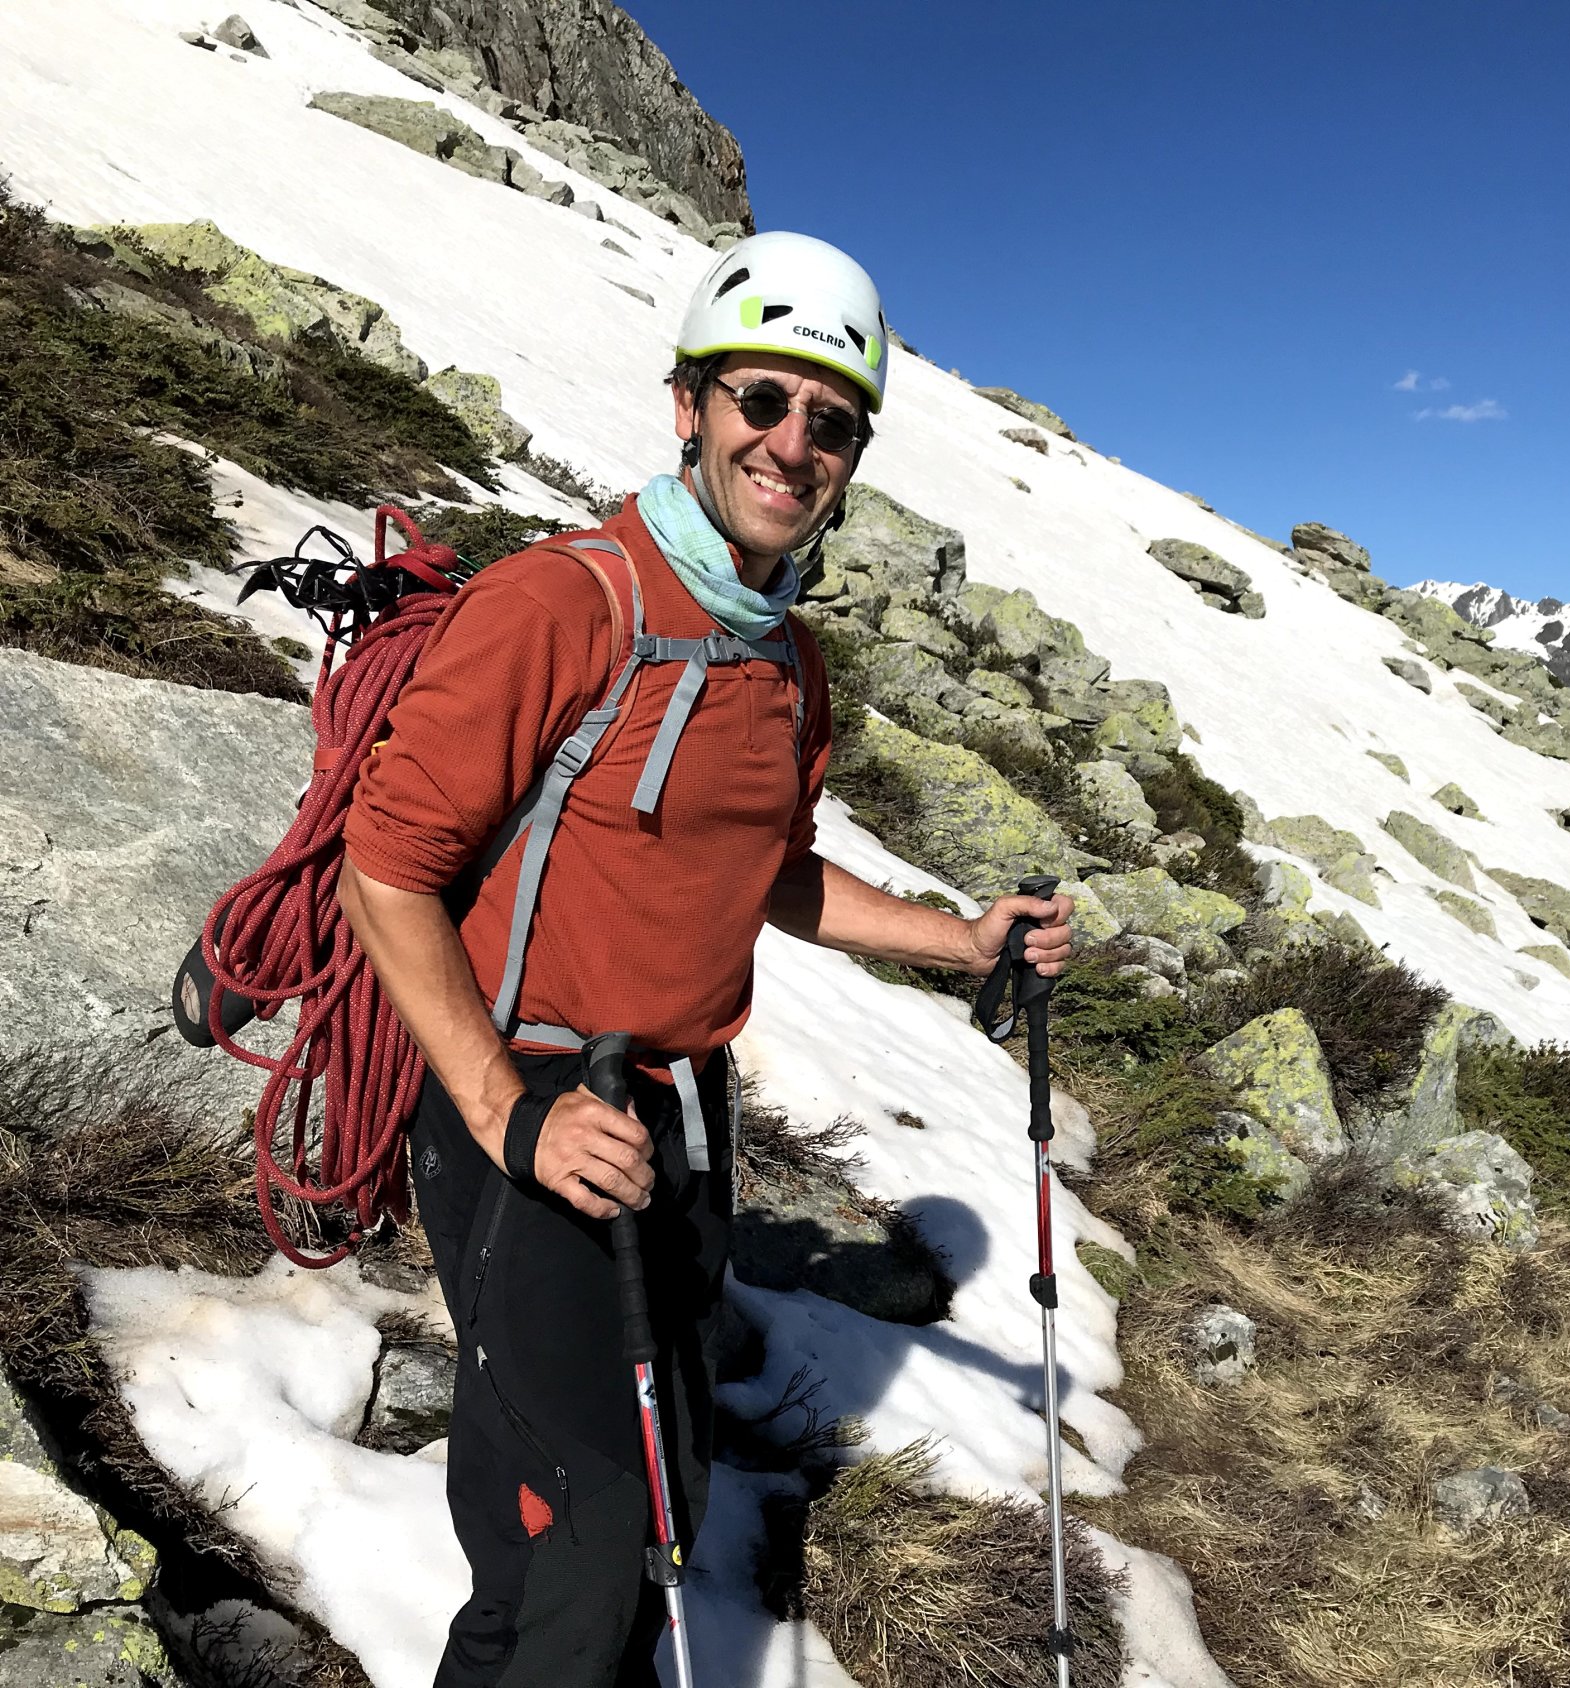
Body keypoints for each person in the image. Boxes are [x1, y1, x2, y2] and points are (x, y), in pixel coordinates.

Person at [338, 231, 1072, 1687]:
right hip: (530, 1115)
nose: (792, 445)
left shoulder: (785, 659)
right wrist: (505, 1109)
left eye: (831, 423)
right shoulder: (565, 604)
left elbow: (772, 872)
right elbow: (387, 868)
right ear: (689, 404)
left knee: (648, 1495)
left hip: (674, 1118)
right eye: (761, 399)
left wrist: (959, 938)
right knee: (570, 1543)